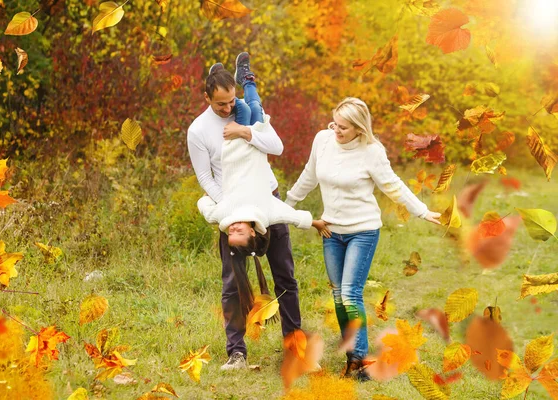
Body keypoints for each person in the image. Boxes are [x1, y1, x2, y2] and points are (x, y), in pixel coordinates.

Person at [285, 97, 441, 380]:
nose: (337, 131)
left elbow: (393, 185)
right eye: (335, 124)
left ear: (359, 128)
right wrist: (287, 203)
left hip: (362, 230)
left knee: (349, 294)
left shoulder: (371, 151)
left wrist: (422, 211)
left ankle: (359, 359)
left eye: (344, 127)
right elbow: (309, 176)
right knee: (338, 296)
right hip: (332, 231)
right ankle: (352, 356)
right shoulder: (323, 140)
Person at [187, 52, 304, 371]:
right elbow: (204, 177)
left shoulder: (249, 113)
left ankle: (294, 348)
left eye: (231, 101)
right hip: (233, 213)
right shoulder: (198, 130)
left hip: (267, 199)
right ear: (207, 96)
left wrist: (246, 131)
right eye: (220, 105)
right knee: (233, 283)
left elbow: (276, 147)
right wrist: (229, 207)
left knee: (285, 277)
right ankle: (236, 353)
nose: (227, 109)